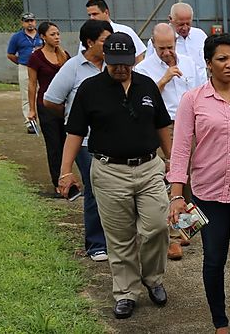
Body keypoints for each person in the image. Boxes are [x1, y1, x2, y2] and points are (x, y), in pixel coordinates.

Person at [58, 32, 173, 319]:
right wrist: (65, 172)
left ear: (134, 59)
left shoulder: (147, 85)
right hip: (109, 171)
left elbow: (161, 125)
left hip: (148, 168)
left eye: (125, 63)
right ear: (104, 59)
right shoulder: (90, 89)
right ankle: (126, 292)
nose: (120, 69)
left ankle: (153, 278)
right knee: (119, 238)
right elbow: (74, 133)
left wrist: (173, 159)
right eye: (114, 63)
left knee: (157, 226)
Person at [167, 33, 230, 334]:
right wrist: (176, 196)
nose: (229, 64)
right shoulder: (192, 100)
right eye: (222, 59)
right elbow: (181, 147)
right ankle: (220, 322)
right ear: (208, 63)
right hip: (207, 195)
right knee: (213, 261)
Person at [135, 22, 207, 260]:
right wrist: (164, 79)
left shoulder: (187, 62)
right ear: (153, 44)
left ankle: (184, 228)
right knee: (167, 180)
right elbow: (143, 99)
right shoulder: (144, 68)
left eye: (170, 46)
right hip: (160, 126)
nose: (167, 52)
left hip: (189, 125)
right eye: (162, 47)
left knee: (187, 181)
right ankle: (171, 238)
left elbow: (201, 91)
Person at [43, 19, 113, 262]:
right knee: (94, 189)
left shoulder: (113, 66)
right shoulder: (74, 67)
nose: (109, 44)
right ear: (90, 42)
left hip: (112, 140)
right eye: (105, 40)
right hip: (85, 142)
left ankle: (116, 239)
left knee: (116, 190)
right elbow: (50, 100)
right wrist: (71, 118)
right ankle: (96, 243)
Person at [27, 21, 71, 196]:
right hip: (46, 105)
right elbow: (31, 84)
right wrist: (31, 110)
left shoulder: (64, 55)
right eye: (52, 34)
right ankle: (58, 182)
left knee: (68, 143)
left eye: (58, 34)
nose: (57, 37)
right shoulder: (36, 57)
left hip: (64, 105)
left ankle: (68, 177)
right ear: (43, 37)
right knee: (54, 145)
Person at [146, 2, 208, 79]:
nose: (185, 28)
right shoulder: (158, 40)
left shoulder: (200, 35)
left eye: (188, 24)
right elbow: (149, 67)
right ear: (170, 19)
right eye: (181, 24)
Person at [7, 12, 43, 134]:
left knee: (43, 92)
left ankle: (44, 119)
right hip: (25, 67)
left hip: (41, 68)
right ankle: (30, 123)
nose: (30, 23)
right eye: (27, 21)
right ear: (22, 23)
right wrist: (21, 62)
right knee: (26, 94)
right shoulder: (17, 37)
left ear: (35, 22)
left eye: (32, 21)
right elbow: (10, 54)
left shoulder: (41, 35)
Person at [81, 0, 146, 62]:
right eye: (89, 15)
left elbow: (139, 57)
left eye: (95, 14)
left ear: (106, 12)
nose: (92, 18)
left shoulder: (125, 31)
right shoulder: (87, 34)